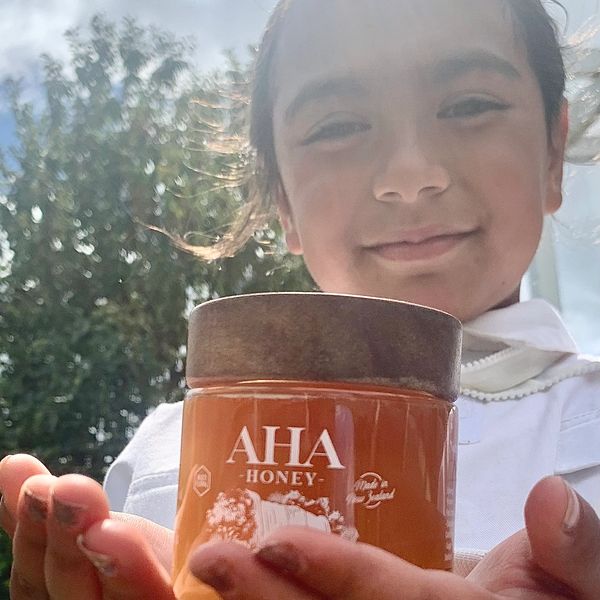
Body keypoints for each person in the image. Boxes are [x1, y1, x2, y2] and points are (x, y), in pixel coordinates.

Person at [1, 0, 600, 598]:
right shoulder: (166, 443)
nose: (410, 174)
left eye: (470, 105)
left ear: (553, 151)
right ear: (283, 202)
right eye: (336, 126)